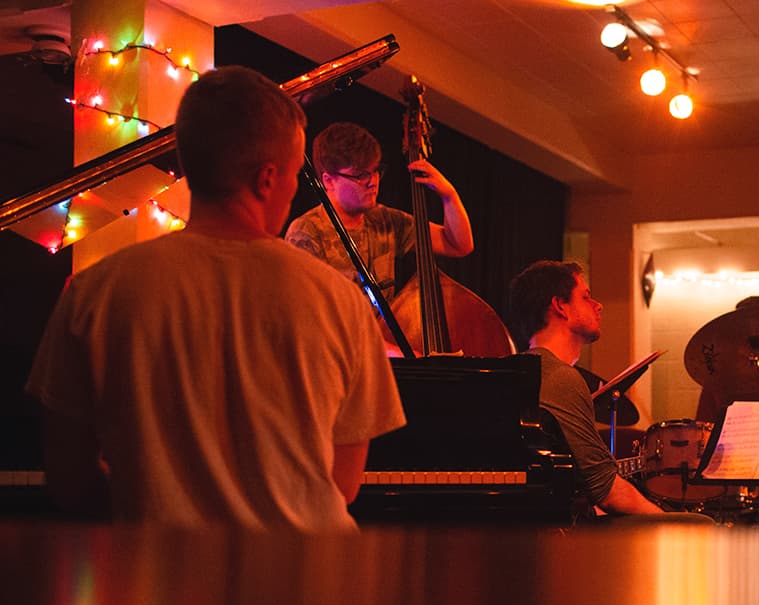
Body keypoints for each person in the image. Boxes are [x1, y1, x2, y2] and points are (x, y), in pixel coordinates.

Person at [25, 66, 406, 531]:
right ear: (268, 179)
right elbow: (343, 486)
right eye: (294, 174)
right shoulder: (342, 302)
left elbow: (70, 482)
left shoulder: (96, 291)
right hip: (307, 578)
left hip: (153, 584)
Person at [505, 261, 667, 517]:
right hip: (555, 540)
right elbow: (608, 490)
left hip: (528, 530)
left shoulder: (517, 373)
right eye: (586, 297)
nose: (598, 305)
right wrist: (673, 524)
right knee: (699, 525)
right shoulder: (560, 378)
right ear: (560, 306)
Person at [284, 121, 473, 302]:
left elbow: (458, 245)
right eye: (361, 175)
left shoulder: (385, 221)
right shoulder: (307, 231)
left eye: (375, 171)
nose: (374, 182)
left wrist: (449, 195)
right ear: (329, 180)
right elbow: (307, 315)